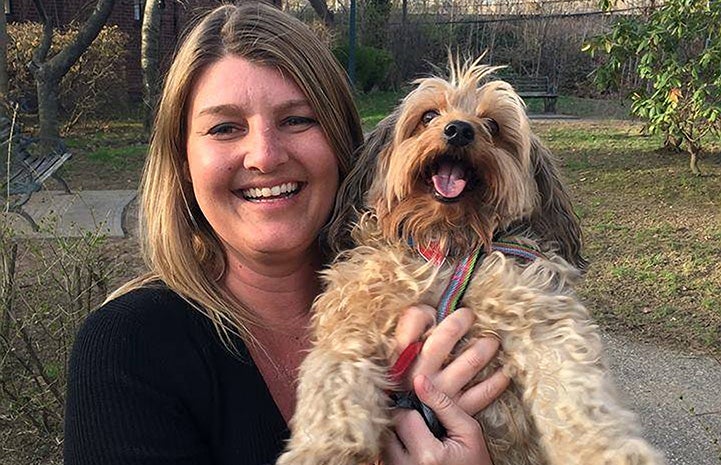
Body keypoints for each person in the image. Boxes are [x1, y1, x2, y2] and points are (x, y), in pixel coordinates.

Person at [63, 3, 510, 464]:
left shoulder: (459, 292)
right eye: (224, 128)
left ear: (342, 145)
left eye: (297, 119)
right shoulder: (129, 348)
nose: (265, 156)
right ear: (183, 163)